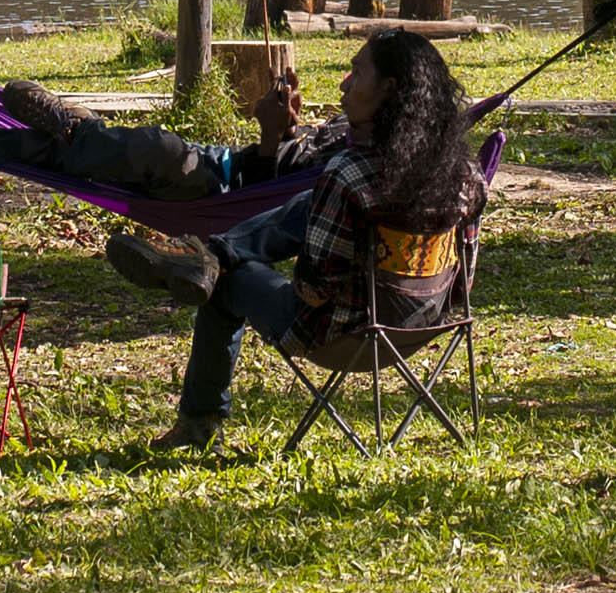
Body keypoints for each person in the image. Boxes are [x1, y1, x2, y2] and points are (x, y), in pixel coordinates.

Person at [100, 28, 482, 452]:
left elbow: (314, 291)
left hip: (344, 339)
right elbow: (462, 281)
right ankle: (209, 252)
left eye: (356, 72)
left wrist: (290, 266)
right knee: (307, 201)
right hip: (422, 330)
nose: (345, 82)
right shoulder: (466, 176)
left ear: (388, 89)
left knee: (224, 282)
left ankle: (198, 422)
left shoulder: (348, 176)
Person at [0, 68, 336, 202]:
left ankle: (77, 125)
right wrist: (284, 132)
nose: (345, 83)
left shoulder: (361, 161)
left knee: (157, 147)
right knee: (49, 149)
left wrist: (268, 136)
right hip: (220, 161)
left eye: (357, 71)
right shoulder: (349, 133)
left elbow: (267, 201)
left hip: (223, 191)